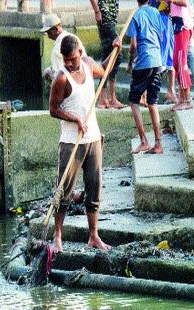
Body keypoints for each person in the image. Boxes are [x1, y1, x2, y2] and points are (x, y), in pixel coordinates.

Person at [49, 35, 121, 252]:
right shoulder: (61, 79)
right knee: (64, 190)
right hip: (71, 142)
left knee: (94, 187)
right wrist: (76, 118)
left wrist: (115, 50)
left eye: (72, 58)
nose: (69, 63)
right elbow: (53, 110)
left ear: (80, 53)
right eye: (65, 60)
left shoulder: (88, 65)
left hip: (93, 138)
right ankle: (58, 236)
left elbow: (105, 69)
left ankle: (93, 235)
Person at [126, 0, 164, 154]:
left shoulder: (136, 15)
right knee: (152, 102)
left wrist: (130, 63)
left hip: (144, 63)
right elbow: (160, 37)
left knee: (134, 100)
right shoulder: (156, 12)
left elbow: (133, 45)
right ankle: (158, 143)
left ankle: (143, 141)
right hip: (157, 61)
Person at [89, 0, 124, 109]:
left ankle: (103, 98)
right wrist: (96, 11)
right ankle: (110, 97)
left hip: (111, 19)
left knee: (108, 55)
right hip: (105, 17)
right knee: (116, 55)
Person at [40, 14, 87, 83]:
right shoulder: (71, 37)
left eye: (49, 32)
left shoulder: (60, 45)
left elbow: (60, 73)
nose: (48, 36)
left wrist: (49, 74)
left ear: (56, 29)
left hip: (69, 82)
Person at [148, 0, 178, 104]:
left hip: (163, 16)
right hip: (161, 16)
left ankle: (171, 91)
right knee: (165, 55)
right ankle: (169, 91)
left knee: (169, 55)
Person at [170, 0, 194, 111]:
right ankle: (181, 99)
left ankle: (187, 100)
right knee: (176, 63)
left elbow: (184, 2)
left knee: (180, 62)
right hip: (176, 23)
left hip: (183, 25)